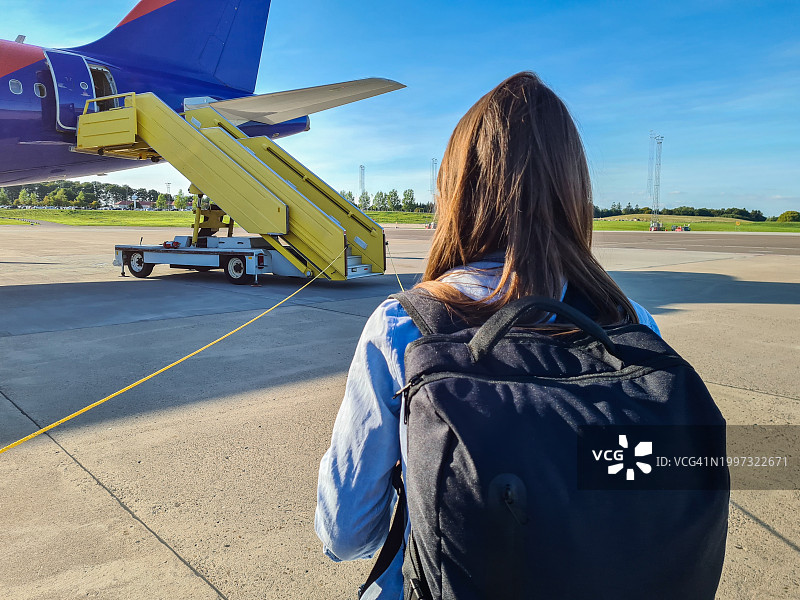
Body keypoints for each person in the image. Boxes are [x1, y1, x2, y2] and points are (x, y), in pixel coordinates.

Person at [315, 71, 660, 599]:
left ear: (458, 191)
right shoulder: (631, 323)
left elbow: (346, 534)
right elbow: (641, 492)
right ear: (574, 190)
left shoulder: (404, 325)